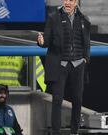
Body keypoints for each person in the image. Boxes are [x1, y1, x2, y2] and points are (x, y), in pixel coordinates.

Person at [37, 0, 91, 134]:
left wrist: (85, 59)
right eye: (65, 0)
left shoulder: (84, 19)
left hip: (78, 65)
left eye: (71, 0)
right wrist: (41, 42)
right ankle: (56, 132)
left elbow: (87, 42)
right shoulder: (53, 18)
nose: (67, 2)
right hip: (60, 65)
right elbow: (46, 41)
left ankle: (74, 131)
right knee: (57, 100)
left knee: (77, 100)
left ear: (76, 2)